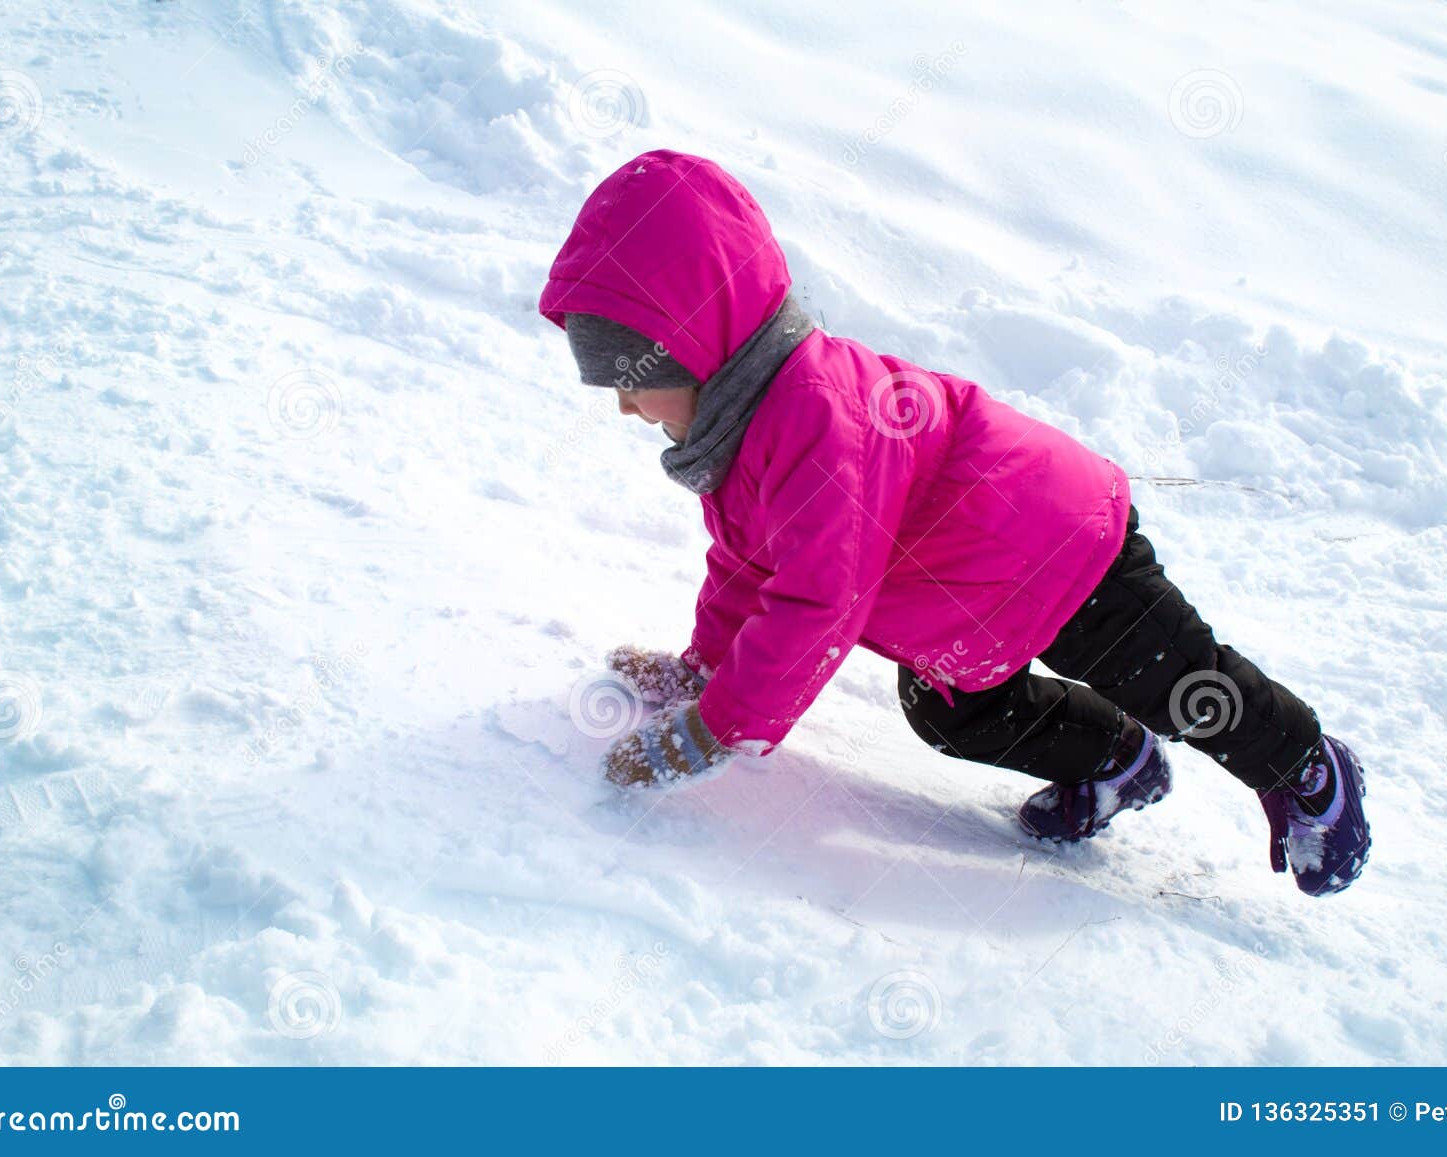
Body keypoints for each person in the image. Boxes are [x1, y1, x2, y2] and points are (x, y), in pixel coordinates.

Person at [538, 150, 1371, 897]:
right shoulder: (741, 431)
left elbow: (814, 606)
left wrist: (716, 728)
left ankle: (1308, 766)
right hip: (964, 601)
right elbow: (750, 569)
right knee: (952, 715)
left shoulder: (815, 416)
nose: (622, 403)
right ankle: (1115, 760)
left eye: (631, 375)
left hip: (1060, 550)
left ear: (699, 346)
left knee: (1180, 685)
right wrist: (703, 671)